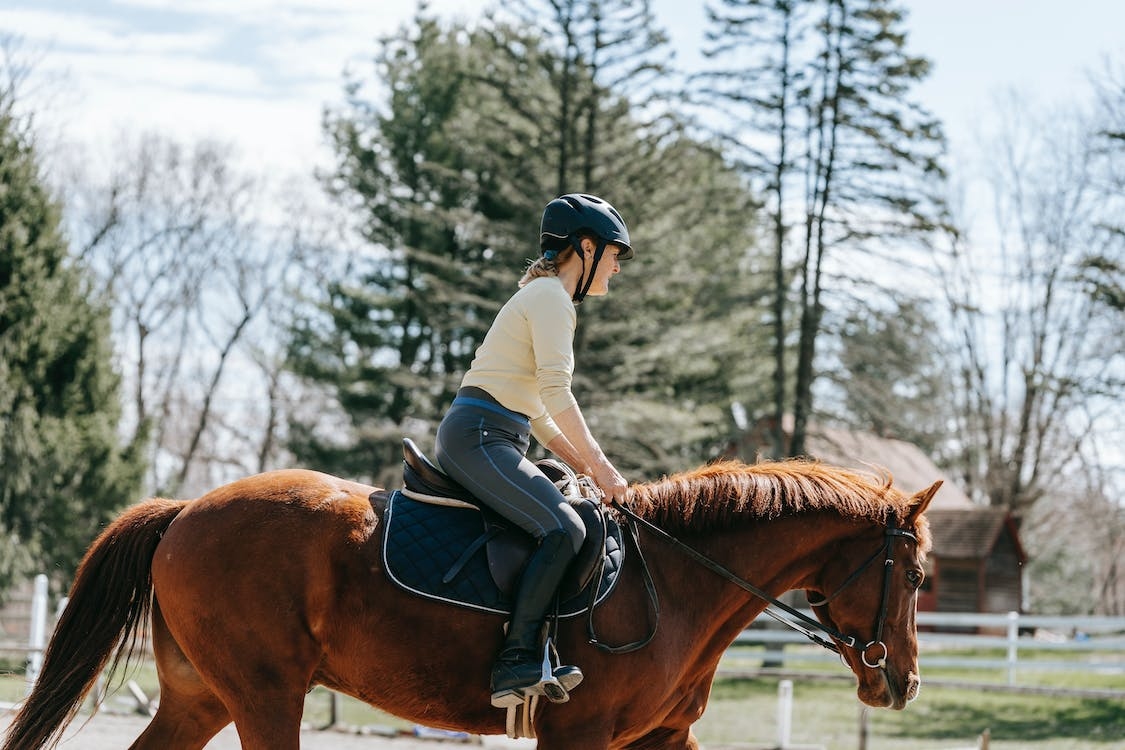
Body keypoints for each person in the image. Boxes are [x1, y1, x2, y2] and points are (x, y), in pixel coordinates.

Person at [434, 193, 633, 708]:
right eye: (613, 253)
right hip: (481, 433)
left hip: (497, 431)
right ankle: (516, 660)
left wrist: (584, 469)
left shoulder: (547, 298)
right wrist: (605, 470)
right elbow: (556, 393)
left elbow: (541, 417)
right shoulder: (551, 300)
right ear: (585, 248)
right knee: (564, 528)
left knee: (568, 517)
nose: (616, 265)